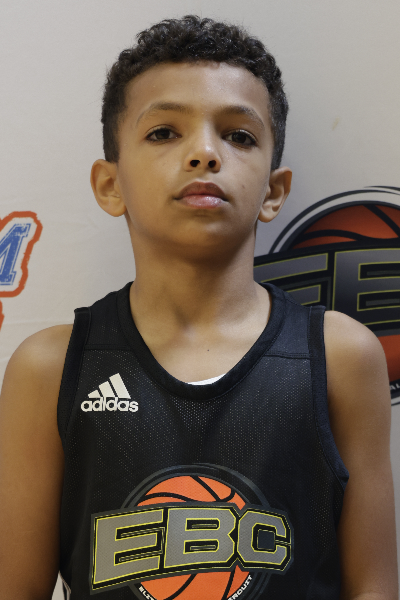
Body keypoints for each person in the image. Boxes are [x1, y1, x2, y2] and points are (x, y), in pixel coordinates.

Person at [0, 15, 397, 600]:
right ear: (110, 184)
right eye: (164, 132)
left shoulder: (340, 356)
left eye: (239, 136)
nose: (205, 153)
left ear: (273, 191)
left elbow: (375, 588)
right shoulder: (50, 368)